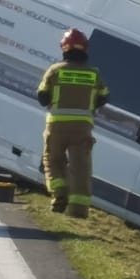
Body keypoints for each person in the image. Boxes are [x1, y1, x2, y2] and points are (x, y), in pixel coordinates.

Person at [37, 28, 110, 218]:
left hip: (57, 126)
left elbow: (42, 96)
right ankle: (78, 210)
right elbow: (104, 97)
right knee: (81, 167)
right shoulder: (94, 74)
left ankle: (59, 194)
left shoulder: (54, 70)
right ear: (85, 50)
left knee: (53, 160)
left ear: (64, 48)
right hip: (82, 127)